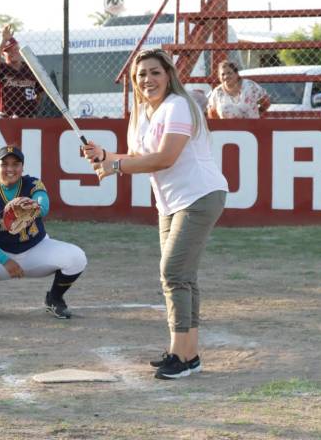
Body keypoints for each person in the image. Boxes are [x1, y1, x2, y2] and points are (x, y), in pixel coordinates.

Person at [83, 49, 227, 380]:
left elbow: (165, 158)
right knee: (183, 277)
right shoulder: (142, 113)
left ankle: (178, 355)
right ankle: (189, 355)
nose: (148, 79)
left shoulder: (178, 105)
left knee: (173, 272)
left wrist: (115, 167)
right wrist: (106, 155)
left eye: (155, 72)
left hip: (199, 196)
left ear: (169, 75)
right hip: (171, 203)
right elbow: (138, 155)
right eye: (141, 75)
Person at [0, 145, 87, 320]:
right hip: (0, 256)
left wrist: (35, 207)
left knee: (77, 258)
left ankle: (54, 298)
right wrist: (5, 260)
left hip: (36, 249)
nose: (10, 169)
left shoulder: (31, 183)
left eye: (15, 164)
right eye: (4, 164)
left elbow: (43, 202)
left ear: (22, 168)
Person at [0, 25, 43, 118]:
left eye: (16, 49)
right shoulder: (2, 68)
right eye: (9, 51)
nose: (13, 52)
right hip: (7, 117)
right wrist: (3, 40)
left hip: (28, 116)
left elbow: (40, 91)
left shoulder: (30, 68)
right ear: (3, 54)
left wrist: (32, 106)